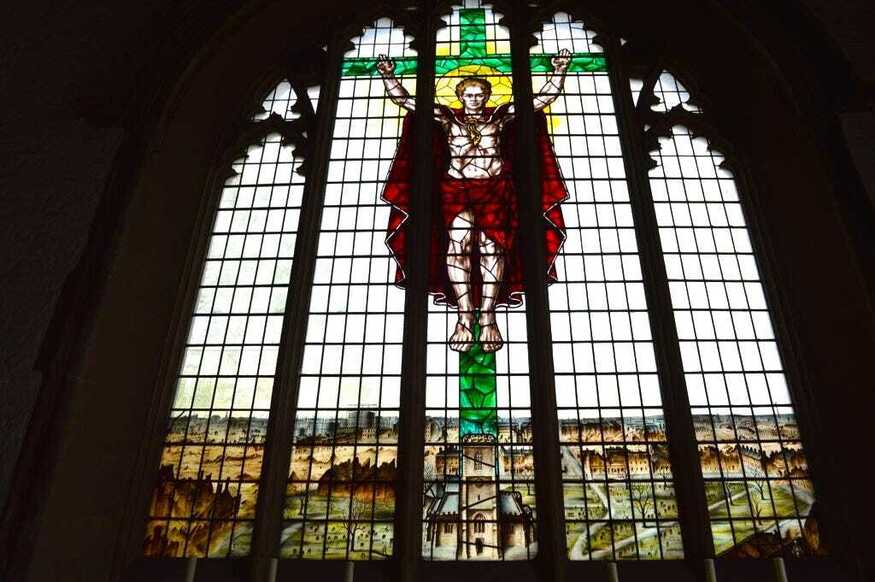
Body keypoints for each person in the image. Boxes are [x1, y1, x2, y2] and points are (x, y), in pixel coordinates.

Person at [378, 49, 571, 353]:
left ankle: (490, 316)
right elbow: (406, 101)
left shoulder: (501, 117)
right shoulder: (445, 118)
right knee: (459, 245)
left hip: (495, 189)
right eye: (468, 95)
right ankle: (465, 316)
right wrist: (388, 75)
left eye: (479, 94)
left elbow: (540, 100)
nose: (474, 99)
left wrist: (558, 70)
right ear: (460, 96)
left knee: (492, 248)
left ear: (486, 96)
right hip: (456, 190)